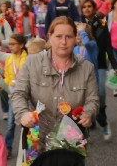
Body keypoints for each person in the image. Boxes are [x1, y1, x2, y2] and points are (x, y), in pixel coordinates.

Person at [10, 16, 98, 148]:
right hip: (38, 138)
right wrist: (23, 113)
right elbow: (18, 93)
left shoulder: (87, 68)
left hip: (71, 141)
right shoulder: (32, 63)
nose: (63, 42)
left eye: (69, 37)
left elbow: (93, 100)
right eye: (58, 36)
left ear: (75, 38)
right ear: (50, 37)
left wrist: (88, 113)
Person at [78, 0, 113, 142]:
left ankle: (102, 120)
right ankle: (88, 125)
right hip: (81, 75)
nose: (87, 9)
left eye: (89, 6)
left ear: (94, 8)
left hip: (98, 65)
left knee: (99, 96)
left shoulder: (101, 25)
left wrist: (114, 63)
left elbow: (107, 44)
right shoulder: (79, 25)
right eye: (84, 7)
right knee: (82, 102)